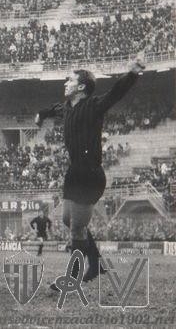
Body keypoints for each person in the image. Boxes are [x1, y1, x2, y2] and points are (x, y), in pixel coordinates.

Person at [35, 57, 145, 286]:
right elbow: (54, 109)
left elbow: (115, 93)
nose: (65, 83)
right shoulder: (67, 108)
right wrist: (42, 114)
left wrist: (132, 73)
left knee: (77, 227)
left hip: (90, 175)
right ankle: (96, 263)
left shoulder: (94, 106)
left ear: (81, 87)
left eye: (70, 80)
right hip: (74, 173)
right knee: (68, 220)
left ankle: (73, 278)